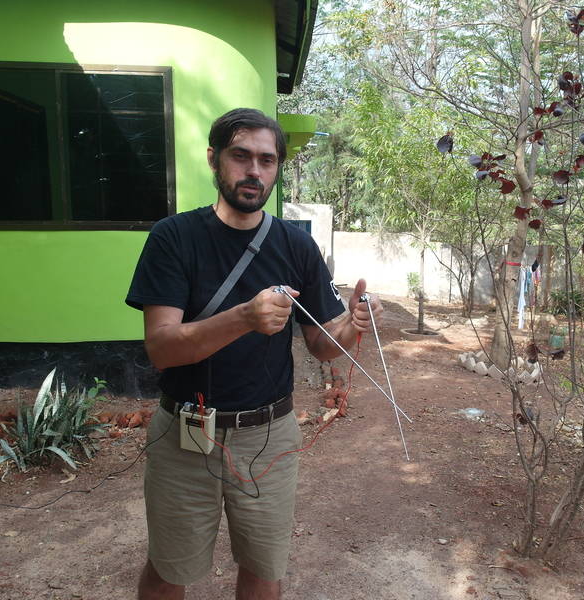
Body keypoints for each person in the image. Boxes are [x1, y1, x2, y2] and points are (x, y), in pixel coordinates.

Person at [125, 107, 382, 600]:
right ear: (214, 160)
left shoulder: (296, 246)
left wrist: (351, 325)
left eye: (267, 160)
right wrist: (244, 317)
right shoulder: (174, 238)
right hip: (186, 434)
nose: (254, 171)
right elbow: (161, 348)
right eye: (240, 156)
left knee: (265, 569)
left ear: (278, 168)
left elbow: (319, 344)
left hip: (269, 435)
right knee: (169, 569)